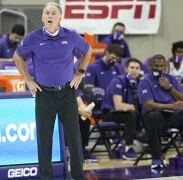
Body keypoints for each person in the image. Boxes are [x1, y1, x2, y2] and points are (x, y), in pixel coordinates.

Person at [13, 2, 92, 179]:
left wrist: (80, 72)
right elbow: (17, 57)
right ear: (42, 17)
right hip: (44, 95)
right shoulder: (33, 38)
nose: (49, 15)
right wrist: (28, 79)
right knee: (44, 141)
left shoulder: (71, 36)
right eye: (46, 13)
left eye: (53, 13)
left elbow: (88, 50)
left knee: (74, 140)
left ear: (59, 17)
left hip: (66, 93)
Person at [138, 54, 183, 169]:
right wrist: (170, 106)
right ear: (151, 66)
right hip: (157, 117)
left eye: (161, 66)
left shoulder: (170, 79)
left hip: (174, 115)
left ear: (165, 66)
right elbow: (148, 105)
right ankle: (157, 158)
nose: (158, 68)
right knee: (153, 117)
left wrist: (170, 88)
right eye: (156, 66)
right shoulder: (145, 81)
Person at [102, 58, 143, 160]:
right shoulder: (118, 81)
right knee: (133, 115)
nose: (134, 70)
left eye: (137, 68)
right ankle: (128, 149)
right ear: (126, 69)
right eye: (132, 67)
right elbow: (118, 106)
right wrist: (139, 107)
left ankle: (147, 142)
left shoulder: (139, 82)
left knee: (149, 114)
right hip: (110, 113)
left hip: (129, 112)